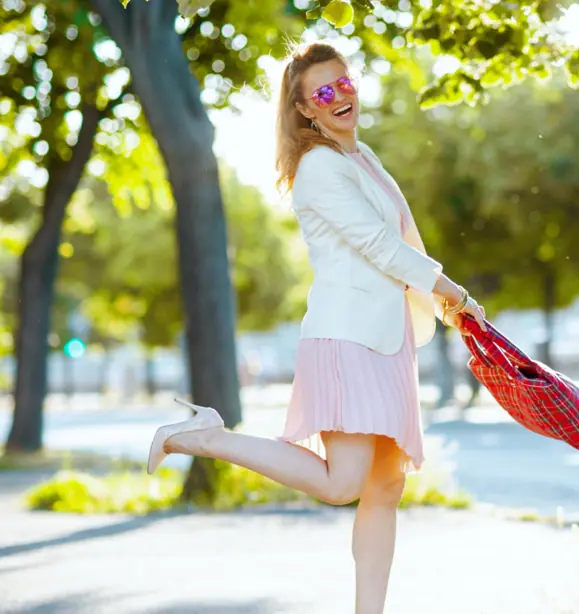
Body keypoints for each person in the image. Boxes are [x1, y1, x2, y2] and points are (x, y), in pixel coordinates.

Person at [146, 41, 486, 614]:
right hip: (346, 339)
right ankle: (206, 437)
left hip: (386, 339)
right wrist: (450, 291)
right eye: (323, 92)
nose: (340, 96)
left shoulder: (363, 157)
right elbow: (379, 247)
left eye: (344, 82)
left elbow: (401, 242)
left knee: (385, 488)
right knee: (342, 483)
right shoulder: (319, 168)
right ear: (305, 110)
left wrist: (440, 304)